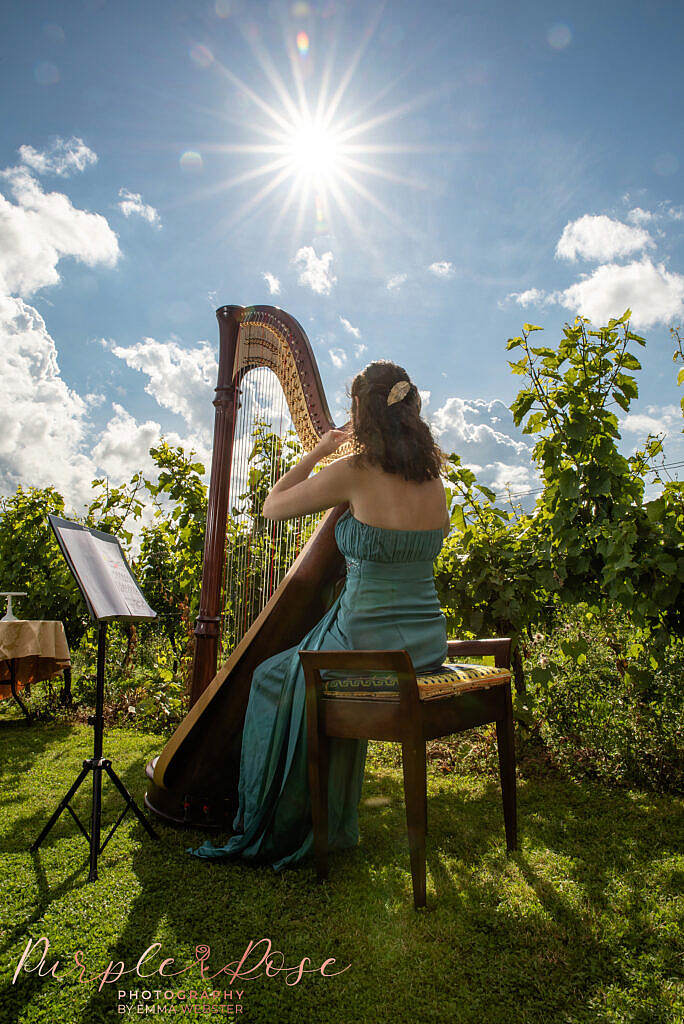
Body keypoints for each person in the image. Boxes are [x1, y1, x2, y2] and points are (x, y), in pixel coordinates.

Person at [188, 360, 450, 871]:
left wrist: (321, 448)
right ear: (410, 412)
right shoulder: (433, 481)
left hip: (366, 642)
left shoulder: (354, 472)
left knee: (268, 678)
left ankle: (281, 820)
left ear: (363, 414)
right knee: (297, 664)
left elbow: (272, 506)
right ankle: (326, 809)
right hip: (425, 644)